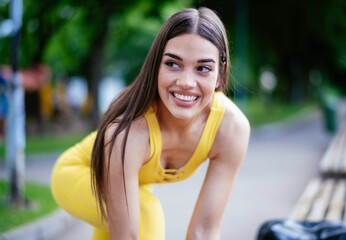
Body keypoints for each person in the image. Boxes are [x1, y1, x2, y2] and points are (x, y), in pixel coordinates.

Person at [51, 7, 250, 240]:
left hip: (133, 185)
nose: (186, 82)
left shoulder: (230, 129)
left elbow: (204, 231)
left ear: (220, 73)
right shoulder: (131, 131)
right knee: (147, 213)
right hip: (80, 173)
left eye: (203, 68)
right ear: (156, 65)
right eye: (173, 64)